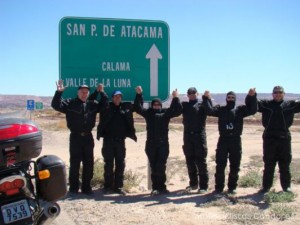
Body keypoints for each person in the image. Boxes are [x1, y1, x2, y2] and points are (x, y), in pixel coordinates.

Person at [51, 80, 102, 195]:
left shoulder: (92, 104)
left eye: (86, 92)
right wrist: (59, 93)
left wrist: (99, 92)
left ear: (88, 93)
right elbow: (55, 105)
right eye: (82, 91)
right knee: (75, 163)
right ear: (78, 93)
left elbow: (105, 105)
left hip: (88, 137)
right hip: (75, 137)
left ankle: (86, 187)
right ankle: (73, 188)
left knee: (88, 163)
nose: (84, 93)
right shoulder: (70, 103)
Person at [202, 88, 257, 194]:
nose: (230, 99)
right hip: (223, 140)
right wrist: (206, 98)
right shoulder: (221, 110)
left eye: (232, 97)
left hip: (235, 140)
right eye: (229, 97)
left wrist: (252, 96)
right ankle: (219, 188)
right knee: (220, 165)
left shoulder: (240, 110)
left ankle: (232, 187)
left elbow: (253, 110)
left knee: (235, 165)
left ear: (235, 99)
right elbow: (209, 111)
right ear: (226, 99)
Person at [134, 86, 182, 196]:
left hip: (163, 144)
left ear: (161, 105)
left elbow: (178, 110)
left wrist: (175, 98)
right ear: (152, 105)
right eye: (154, 104)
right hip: (151, 144)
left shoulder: (166, 113)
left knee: (161, 166)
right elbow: (138, 108)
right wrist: (139, 95)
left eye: (158, 105)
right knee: (154, 166)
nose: (156, 106)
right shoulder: (148, 113)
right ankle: (155, 188)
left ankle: (162, 187)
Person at [92, 88, 137, 196]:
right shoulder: (107, 107)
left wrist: (139, 94)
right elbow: (100, 101)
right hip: (108, 141)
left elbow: (137, 106)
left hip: (120, 141)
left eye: (119, 96)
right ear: (112, 98)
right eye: (116, 96)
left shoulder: (125, 108)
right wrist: (101, 92)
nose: (118, 98)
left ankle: (118, 187)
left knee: (120, 164)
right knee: (108, 164)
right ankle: (107, 186)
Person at [258, 86, 300, 193]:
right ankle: (266, 187)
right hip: (269, 138)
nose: (278, 94)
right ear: (272, 94)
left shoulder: (290, 105)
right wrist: (251, 96)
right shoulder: (266, 104)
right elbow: (253, 104)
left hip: (284, 138)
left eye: (280, 92)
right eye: (276, 92)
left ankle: (286, 187)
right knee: (269, 164)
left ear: (284, 94)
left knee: (285, 164)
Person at [181, 87, 210, 194]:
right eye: (190, 93)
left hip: (199, 136)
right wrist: (175, 98)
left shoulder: (202, 105)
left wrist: (207, 98)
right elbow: (174, 110)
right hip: (188, 136)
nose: (192, 94)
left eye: (194, 93)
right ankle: (193, 184)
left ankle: (203, 186)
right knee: (190, 161)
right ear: (187, 95)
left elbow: (210, 110)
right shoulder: (184, 105)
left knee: (201, 161)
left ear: (197, 94)